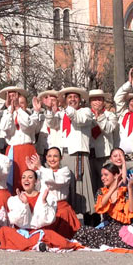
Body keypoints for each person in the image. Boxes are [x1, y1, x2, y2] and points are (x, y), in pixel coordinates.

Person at [0, 169, 82, 251]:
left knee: (50, 235)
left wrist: (44, 202)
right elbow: (16, 221)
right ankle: (34, 245)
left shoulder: (48, 197)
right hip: (21, 234)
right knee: (4, 231)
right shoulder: (14, 199)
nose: (26, 179)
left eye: (30, 177)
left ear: (36, 181)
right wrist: (25, 204)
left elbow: (47, 220)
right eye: (23, 177)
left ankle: (27, 245)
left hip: (38, 233)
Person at [47, 87, 96, 223]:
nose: (72, 100)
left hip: (78, 155)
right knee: (66, 189)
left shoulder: (85, 112)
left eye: (75, 97)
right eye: (70, 97)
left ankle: (88, 224)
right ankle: (68, 221)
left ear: (80, 100)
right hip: (65, 155)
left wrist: (65, 107)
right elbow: (52, 124)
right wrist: (51, 110)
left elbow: (77, 119)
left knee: (81, 189)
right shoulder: (63, 113)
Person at [71, 163, 133, 249]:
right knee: (82, 231)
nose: (103, 178)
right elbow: (101, 205)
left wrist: (130, 188)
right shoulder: (101, 192)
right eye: (102, 175)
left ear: (115, 176)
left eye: (106, 175)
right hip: (107, 228)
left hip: (123, 228)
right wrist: (113, 188)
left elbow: (132, 210)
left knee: (119, 236)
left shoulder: (124, 191)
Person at [31, 148, 79, 239]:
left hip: (60, 209)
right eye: (49, 156)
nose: (52, 159)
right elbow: (34, 188)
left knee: (62, 238)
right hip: (45, 207)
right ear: (46, 158)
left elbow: (54, 180)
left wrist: (40, 167)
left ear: (61, 158)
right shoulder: (40, 172)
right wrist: (32, 170)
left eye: (55, 156)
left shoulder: (65, 171)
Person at [0, 89, 39, 193]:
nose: (18, 105)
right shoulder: (7, 115)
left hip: (27, 150)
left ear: (26, 104)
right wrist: (10, 110)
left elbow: (27, 126)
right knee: (13, 180)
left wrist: (18, 109)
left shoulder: (31, 116)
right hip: (13, 151)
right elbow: (4, 128)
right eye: (16, 103)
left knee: (30, 179)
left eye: (22, 103)